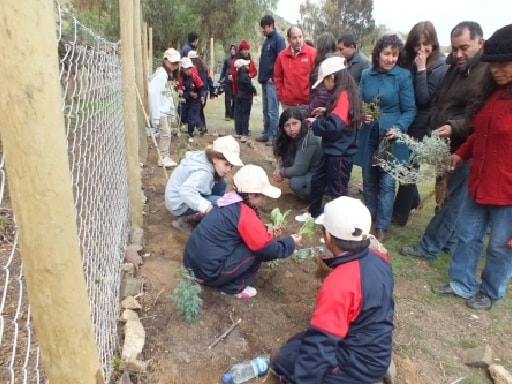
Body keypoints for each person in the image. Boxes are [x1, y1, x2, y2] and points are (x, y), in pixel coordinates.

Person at [271, 196, 394, 383]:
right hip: (371, 344)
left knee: (284, 362)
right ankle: (377, 365)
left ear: (328, 237)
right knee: (295, 344)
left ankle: (362, 377)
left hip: (356, 362)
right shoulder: (379, 259)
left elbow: (321, 345)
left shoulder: (340, 283)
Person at [433, 24, 511, 311]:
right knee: (467, 234)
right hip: (479, 181)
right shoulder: (491, 96)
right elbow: (480, 134)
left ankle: (490, 291)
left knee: (500, 246)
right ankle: (461, 282)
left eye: (504, 65)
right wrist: (461, 155)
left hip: (507, 190)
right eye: (493, 65)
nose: (496, 70)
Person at [400, 21, 495, 258]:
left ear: (480, 43)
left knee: (452, 199)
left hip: (466, 146)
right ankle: (448, 242)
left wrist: (454, 126)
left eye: (464, 48)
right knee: (446, 194)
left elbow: (478, 113)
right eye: (454, 49)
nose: (458, 54)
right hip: (445, 143)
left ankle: (429, 246)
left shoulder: (486, 73)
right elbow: (441, 100)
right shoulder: (455, 68)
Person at [183, 164, 302, 298]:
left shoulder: (229, 200)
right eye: (263, 195)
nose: (264, 199)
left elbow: (240, 228)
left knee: (253, 242)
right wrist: (290, 242)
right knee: (257, 250)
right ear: (251, 195)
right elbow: (267, 249)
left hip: (191, 265)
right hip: (207, 273)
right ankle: (233, 288)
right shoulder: (244, 213)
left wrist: (265, 229)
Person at [355, 34, 416, 242]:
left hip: (391, 136)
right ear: (378, 54)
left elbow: (409, 110)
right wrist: (363, 113)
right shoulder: (366, 74)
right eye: (387, 54)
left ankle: (382, 226)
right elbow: (360, 101)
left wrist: (398, 127)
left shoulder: (403, 76)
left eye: (395, 54)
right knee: (368, 178)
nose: (391, 59)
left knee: (387, 183)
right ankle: (370, 215)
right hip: (369, 133)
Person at [392, 21, 449, 226]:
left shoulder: (440, 66)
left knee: (409, 168)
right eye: (418, 44)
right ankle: (413, 199)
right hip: (405, 117)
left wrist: (422, 69)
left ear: (434, 44)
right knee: (401, 165)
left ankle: (400, 214)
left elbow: (424, 98)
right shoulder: (406, 59)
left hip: (421, 122)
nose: (422, 49)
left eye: (427, 44)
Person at [297, 56, 361, 220]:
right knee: (318, 180)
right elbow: (341, 117)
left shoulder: (344, 96)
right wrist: (326, 112)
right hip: (333, 150)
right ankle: (314, 213)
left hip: (340, 153)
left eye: (323, 81)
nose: (323, 87)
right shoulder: (344, 92)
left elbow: (334, 127)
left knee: (337, 190)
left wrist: (315, 123)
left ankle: (341, 224)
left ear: (332, 77)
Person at [165, 135, 243, 234]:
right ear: (214, 158)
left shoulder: (206, 158)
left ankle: (208, 214)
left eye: (231, 165)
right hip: (179, 205)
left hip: (176, 199)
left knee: (222, 183)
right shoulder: (204, 173)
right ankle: (186, 220)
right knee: (221, 203)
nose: (229, 170)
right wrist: (207, 207)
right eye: (226, 164)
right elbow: (185, 191)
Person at [272, 107, 322, 201]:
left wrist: (281, 172)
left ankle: (317, 199)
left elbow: (299, 169)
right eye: (287, 125)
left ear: (301, 123)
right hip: (311, 172)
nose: (291, 129)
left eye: (295, 123)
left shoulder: (309, 139)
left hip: (321, 176)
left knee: (295, 182)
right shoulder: (294, 138)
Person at [256, 15, 286, 145]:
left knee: (273, 109)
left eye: (264, 28)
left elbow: (282, 60)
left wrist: (274, 77)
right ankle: (266, 132)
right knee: (266, 109)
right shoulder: (267, 41)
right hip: (264, 80)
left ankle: (274, 135)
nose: (263, 30)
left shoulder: (278, 40)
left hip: (272, 81)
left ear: (270, 26)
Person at [148, 48, 180, 168]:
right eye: (172, 63)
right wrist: (155, 116)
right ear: (165, 61)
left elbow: (168, 95)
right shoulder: (161, 75)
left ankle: (165, 155)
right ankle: (163, 156)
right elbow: (153, 93)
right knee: (165, 133)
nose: (174, 65)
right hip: (160, 111)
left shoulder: (168, 75)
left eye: (176, 63)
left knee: (167, 133)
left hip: (165, 109)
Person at [274, 26, 317, 112]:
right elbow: (277, 78)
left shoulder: (312, 53)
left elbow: (318, 77)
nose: (298, 40)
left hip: (307, 104)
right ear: (289, 40)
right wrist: (281, 97)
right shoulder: (282, 56)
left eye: (300, 37)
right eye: (294, 38)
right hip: (288, 105)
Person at [305, 31, 339, 119]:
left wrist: (306, 113)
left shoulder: (324, 67)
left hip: (320, 112)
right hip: (332, 110)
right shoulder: (338, 64)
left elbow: (322, 96)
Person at [230, 39, 258, 137]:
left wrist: (249, 74)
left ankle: (243, 130)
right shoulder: (236, 61)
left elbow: (254, 71)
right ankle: (240, 130)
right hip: (238, 89)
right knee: (239, 110)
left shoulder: (250, 61)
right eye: (244, 49)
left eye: (247, 49)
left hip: (245, 88)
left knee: (243, 110)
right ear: (240, 50)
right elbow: (233, 73)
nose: (246, 51)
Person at [178, 57, 204, 143]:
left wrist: (200, 95)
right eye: (187, 69)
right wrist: (188, 94)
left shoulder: (194, 77)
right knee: (182, 116)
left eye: (190, 68)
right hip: (184, 100)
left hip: (195, 102)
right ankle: (182, 128)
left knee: (191, 118)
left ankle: (190, 134)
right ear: (183, 69)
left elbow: (201, 87)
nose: (189, 70)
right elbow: (179, 91)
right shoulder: (180, 78)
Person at [188, 50, 214, 134]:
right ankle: (203, 126)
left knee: (196, 111)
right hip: (204, 92)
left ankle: (200, 127)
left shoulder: (193, 68)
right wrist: (211, 91)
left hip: (198, 92)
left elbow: (194, 80)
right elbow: (209, 79)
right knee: (200, 111)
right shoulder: (205, 68)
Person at [233, 59, 257, 142]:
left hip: (239, 96)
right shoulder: (245, 76)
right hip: (245, 97)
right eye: (246, 65)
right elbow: (249, 86)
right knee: (245, 114)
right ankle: (244, 132)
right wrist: (254, 90)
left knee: (239, 113)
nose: (248, 67)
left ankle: (238, 131)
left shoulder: (238, 75)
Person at [220, 44, 237, 120]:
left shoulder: (238, 60)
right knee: (228, 98)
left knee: (235, 98)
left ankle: (233, 114)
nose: (232, 50)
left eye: (234, 49)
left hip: (235, 81)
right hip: (227, 81)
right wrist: (221, 80)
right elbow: (223, 70)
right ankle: (227, 114)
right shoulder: (227, 59)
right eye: (231, 49)